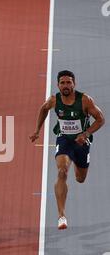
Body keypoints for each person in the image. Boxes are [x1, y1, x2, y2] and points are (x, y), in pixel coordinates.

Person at [30, 70, 105, 229]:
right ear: (58, 85)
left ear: (74, 84)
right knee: (62, 171)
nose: (65, 85)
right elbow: (43, 109)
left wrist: (85, 134)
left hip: (81, 143)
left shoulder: (84, 100)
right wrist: (37, 130)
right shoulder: (53, 100)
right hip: (64, 140)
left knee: (80, 178)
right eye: (62, 83)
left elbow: (100, 119)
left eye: (68, 82)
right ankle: (61, 216)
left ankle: (78, 163)